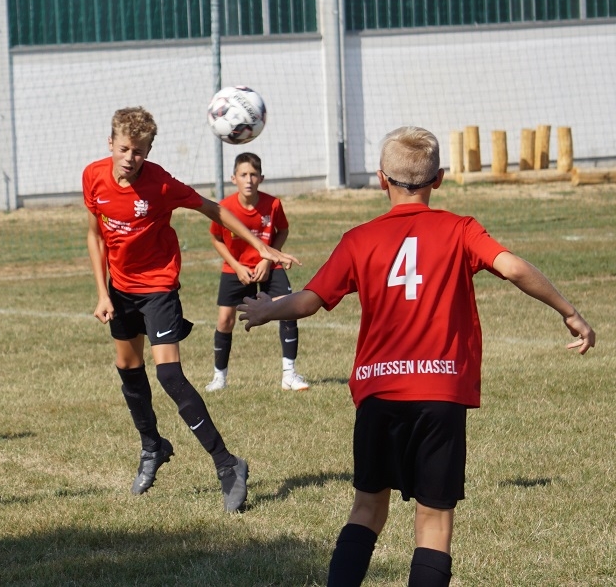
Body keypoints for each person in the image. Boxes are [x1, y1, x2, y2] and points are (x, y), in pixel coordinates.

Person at [237, 126, 595, 585]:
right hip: (440, 393)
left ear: (381, 180)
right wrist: (569, 311)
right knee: (434, 521)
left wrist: (268, 309)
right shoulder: (461, 229)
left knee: (367, 509)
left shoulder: (359, 238)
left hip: (380, 392)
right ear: (439, 179)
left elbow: (310, 300)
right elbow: (513, 267)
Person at [84, 106, 299, 513]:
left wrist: (260, 245)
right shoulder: (93, 177)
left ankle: (227, 464)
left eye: (139, 151)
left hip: (158, 288)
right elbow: (95, 235)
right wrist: (102, 293)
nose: (131, 158)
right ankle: (153, 445)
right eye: (125, 149)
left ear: (149, 151)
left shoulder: (161, 183)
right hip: (121, 290)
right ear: (110, 143)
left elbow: (214, 209)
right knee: (128, 368)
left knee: (169, 375)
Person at [204, 152, 307, 393]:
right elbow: (216, 238)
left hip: (268, 265)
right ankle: (219, 378)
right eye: (243, 175)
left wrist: (268, 259)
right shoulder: (224, 208)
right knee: (225, 320)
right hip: (237, 267)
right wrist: (236, 266)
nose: (248, 180)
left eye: (253, 174)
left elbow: (282, 231)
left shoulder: (273, 204)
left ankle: (289, 375)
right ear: (233, 178)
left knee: (288, 310)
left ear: (261, 178)